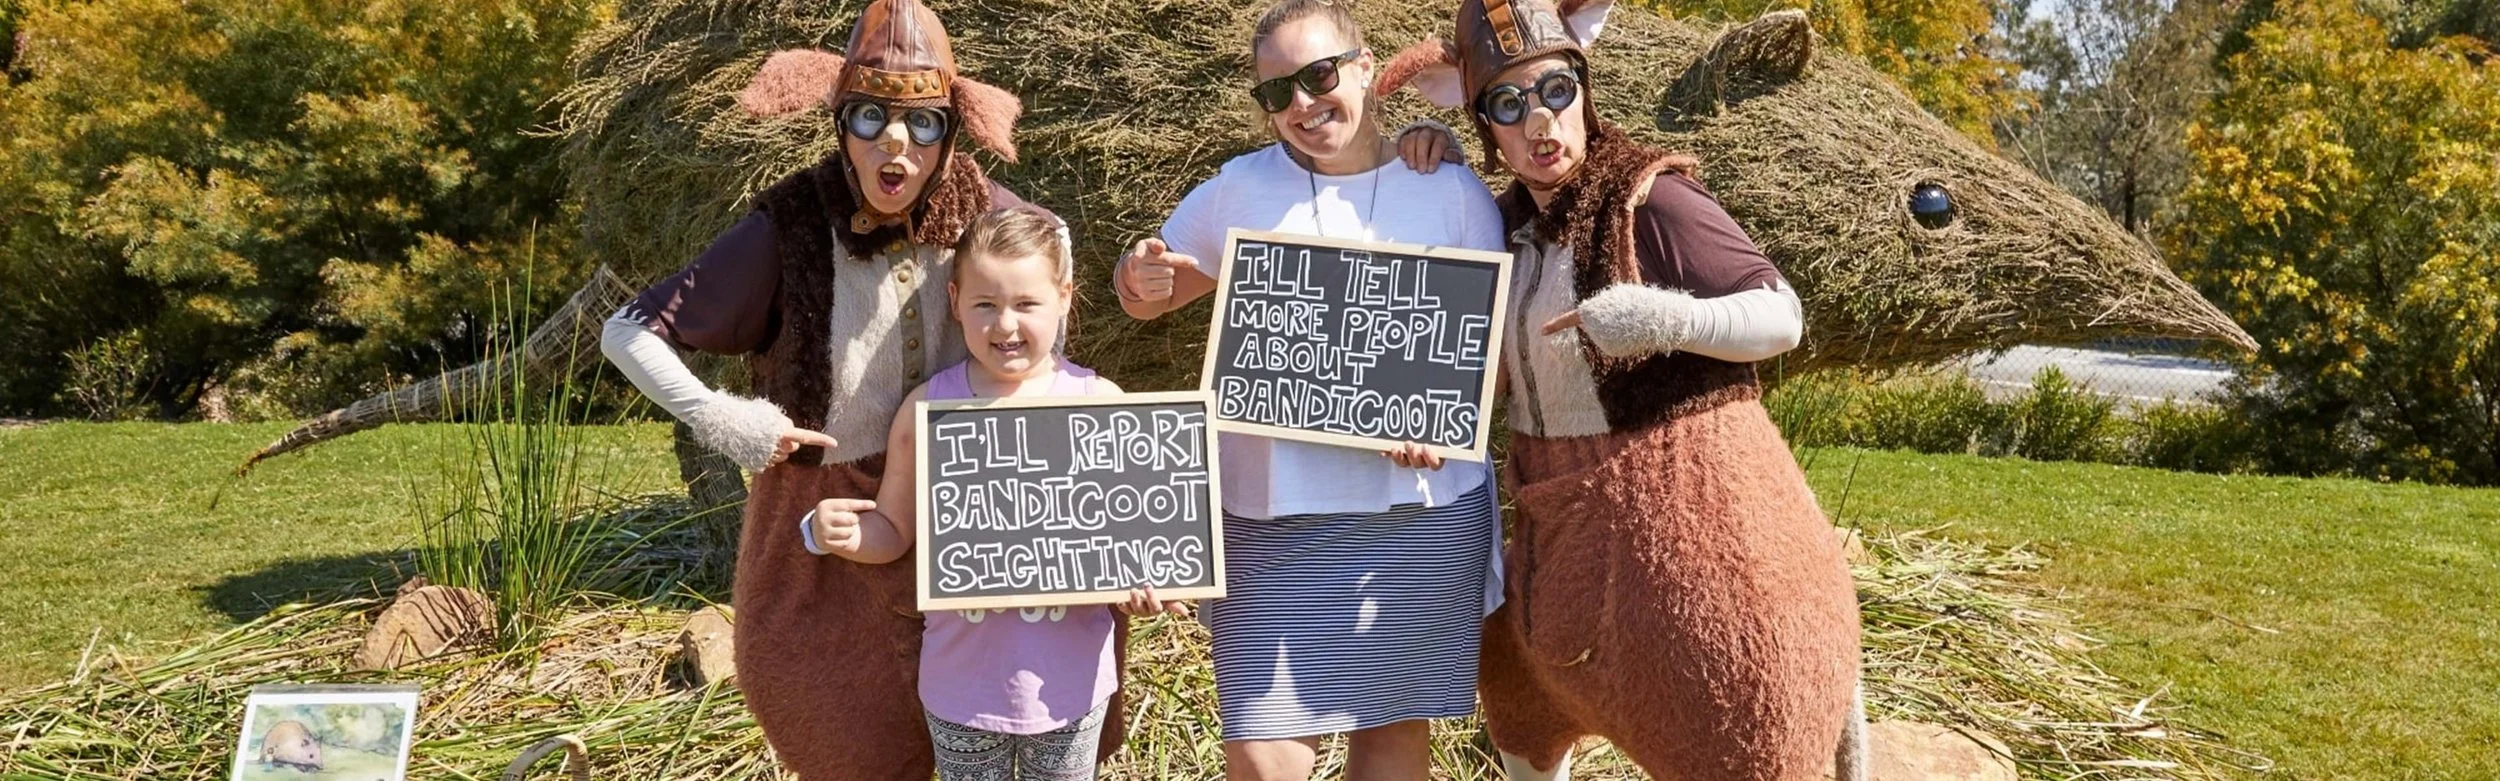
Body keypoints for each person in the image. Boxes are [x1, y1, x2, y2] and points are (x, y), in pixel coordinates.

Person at [597, 2, 1125, 777]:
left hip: (977, 514)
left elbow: (1051, 257)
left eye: (923, 122)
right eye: (872, 117)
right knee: (847, 741)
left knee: (1020, 721)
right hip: (831, 526)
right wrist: (724, 417)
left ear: (954, 124)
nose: (896, 144)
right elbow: (628, 331)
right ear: (840, 119)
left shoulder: (980, 212)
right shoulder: (791, 225)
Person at [1377, 1, 1866, 779]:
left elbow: (1780, 315)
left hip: (1691, 551)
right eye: (1507, 104)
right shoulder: (1494, 224)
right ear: (1483, 124)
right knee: (1519, 703)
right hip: (1562, 558)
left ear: (1584, 88)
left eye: (1555, 92)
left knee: (1735, 719)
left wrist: (1657, 317)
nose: (1539, 122)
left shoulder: (1651, 198)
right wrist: (1421, 165)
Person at [1112, 1, 1506, 779]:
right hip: (1271, 514)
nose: (1302, 103)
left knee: (1391, 734)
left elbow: (1485, 347)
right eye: (1276, 91)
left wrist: (1451, 414)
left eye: (1319, 74)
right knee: (1262, 753)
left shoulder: (1451, 189)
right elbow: (1153, 290)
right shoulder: (1239, 189)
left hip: (1412, 516)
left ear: (1364, 67)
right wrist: (1138, 273)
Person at [799, 207, 1187, 781]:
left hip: (1071, 686)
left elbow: (1134, 543)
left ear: (1064, 297)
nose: (1005, 325)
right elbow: (894, 530)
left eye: (1026, 304)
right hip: (960, 687)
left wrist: (1149, 584)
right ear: (955, 302)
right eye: (986, 304)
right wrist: (839, 533)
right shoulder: (928, 410)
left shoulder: (1100, 402)